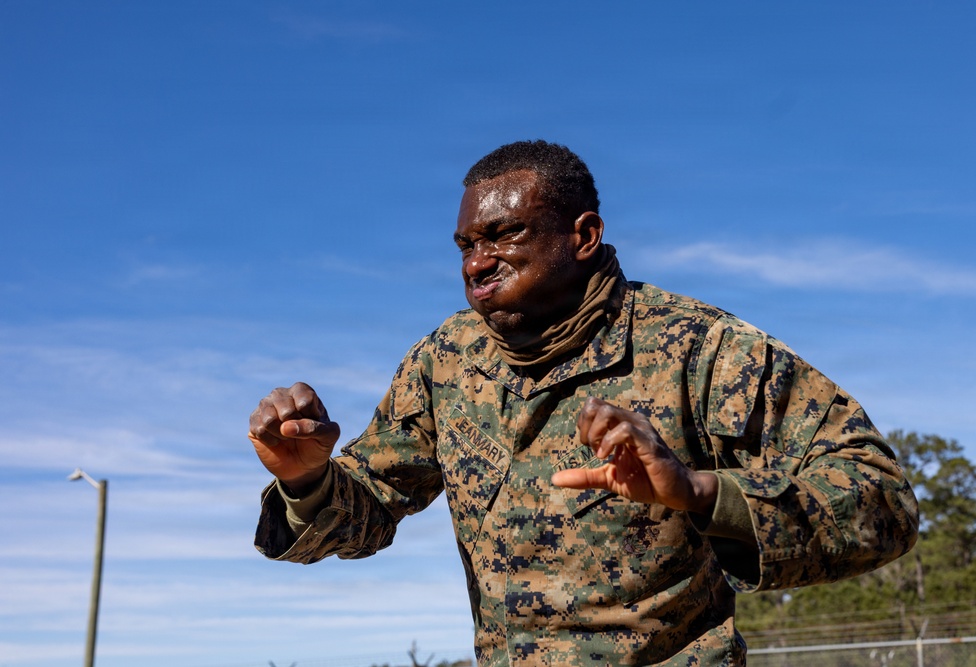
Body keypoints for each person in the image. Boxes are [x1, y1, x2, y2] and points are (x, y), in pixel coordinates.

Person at [249, 140, 918, 666]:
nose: (476, 263)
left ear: (584, 235)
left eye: (505, 234)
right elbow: (366, 510)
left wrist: (700, 492)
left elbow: (882, 499)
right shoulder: (444, 360)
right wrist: (307, 479)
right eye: (467, 245)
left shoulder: (702, 349)